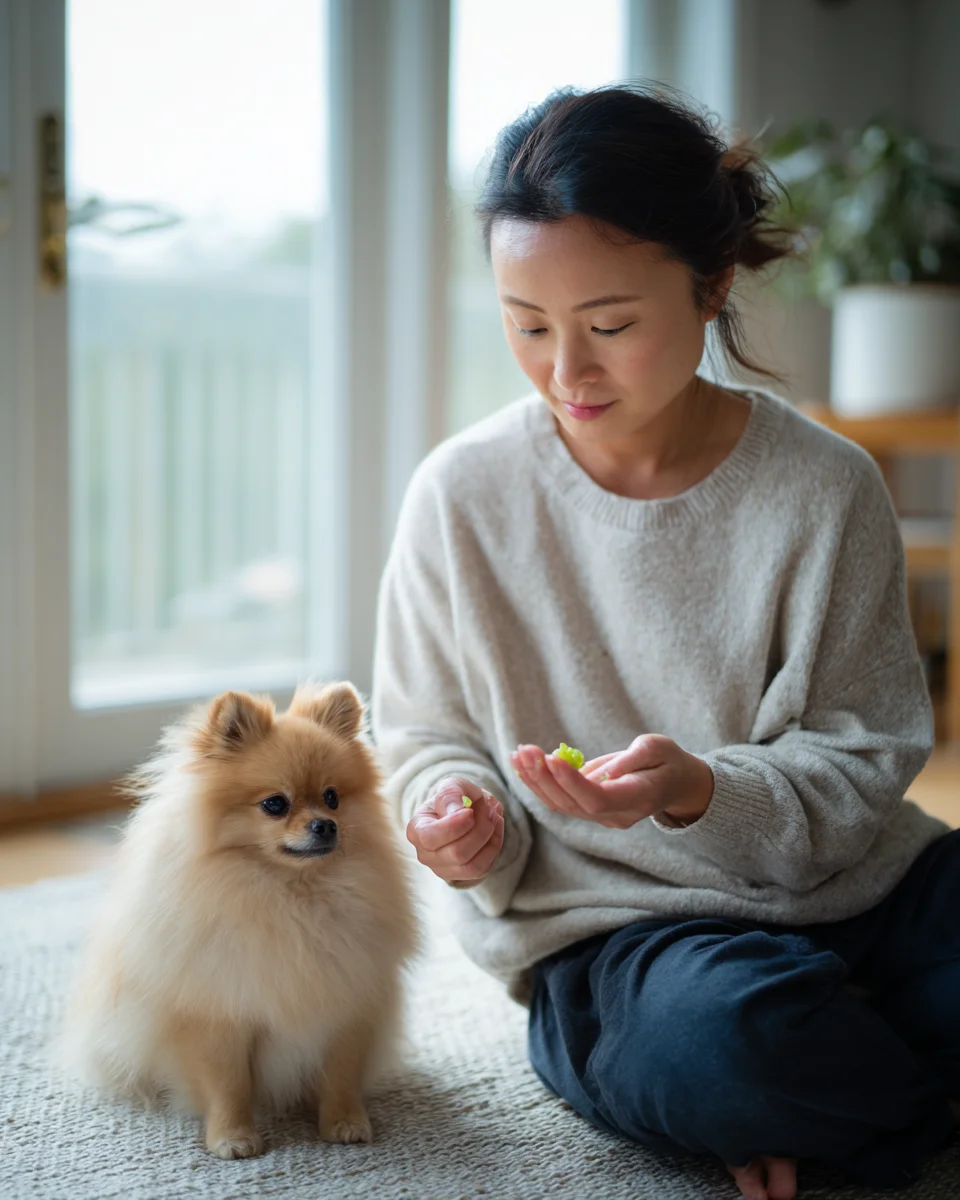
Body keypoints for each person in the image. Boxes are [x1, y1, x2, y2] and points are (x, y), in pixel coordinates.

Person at [370, 85, 959, 1200]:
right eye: (526, 323)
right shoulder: (461, 494)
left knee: (769, 1053)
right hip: (624, 929)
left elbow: (866, 753)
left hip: (864, 888)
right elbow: (424, 733)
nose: (566, 373)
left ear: (713, 287)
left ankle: (831, 1088)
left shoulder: (826, 489)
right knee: (726, 1047)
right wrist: (457, 817)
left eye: (610, 325)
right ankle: (835, 1077)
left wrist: (700, 791)